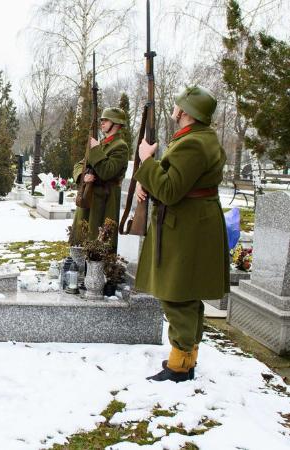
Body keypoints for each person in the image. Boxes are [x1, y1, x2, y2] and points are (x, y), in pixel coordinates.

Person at [133, 86, 229, 382]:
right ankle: (186, 358)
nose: (175, 108)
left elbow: (171, 190)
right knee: (186, 295)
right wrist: (146, 180)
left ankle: (179, 367)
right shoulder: (199, 139)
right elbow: (176, 176)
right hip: (192, 224)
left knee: (177, 295)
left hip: (186, 227)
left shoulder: (193, 144)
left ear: (186, 112)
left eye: (178, 105)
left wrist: (146, 162)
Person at [71, 107, 130, 249]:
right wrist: (83, 176)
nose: (102, 122)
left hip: (105, 200)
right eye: (101, 120)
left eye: (106, 120)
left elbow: (107, 172)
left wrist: (96, 149)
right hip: (89, 195)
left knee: (99, 242)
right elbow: (79, 164)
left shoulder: (120, 146)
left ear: (116, 123)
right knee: (82, 237)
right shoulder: (101, 143)